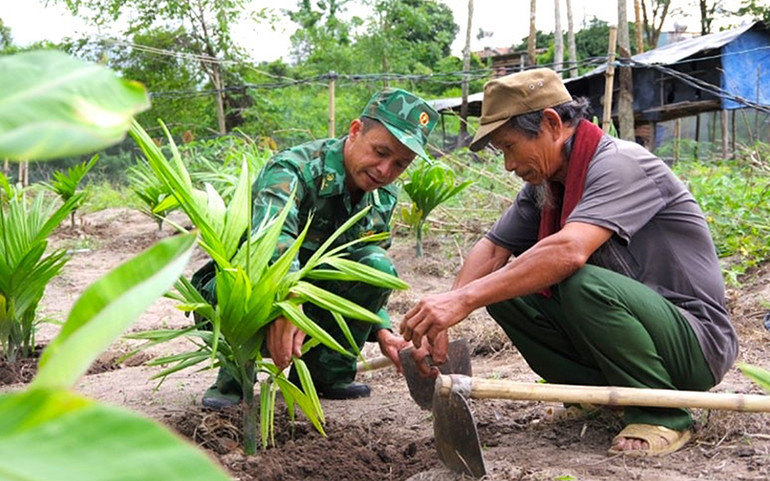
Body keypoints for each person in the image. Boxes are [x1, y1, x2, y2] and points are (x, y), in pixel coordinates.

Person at [400, 68, 738, 457]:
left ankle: (662, 414)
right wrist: (445, 315)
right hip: (630, 335)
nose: (508, 165)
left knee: (580, 282)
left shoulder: (620, 164)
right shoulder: (544, 185)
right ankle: (598, 395)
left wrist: (463, 300)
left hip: (695, 344)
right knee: (500, 289)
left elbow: (569, 252)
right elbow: (492, 250)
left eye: (509, 147)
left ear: (551, 124)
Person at [193, 88, 439, 409]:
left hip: (313, 300)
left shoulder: (382, 198)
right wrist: (289, 304)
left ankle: (327, 374)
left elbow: (365, 271)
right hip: (252, 289)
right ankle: (234, 375)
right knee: (242, 278)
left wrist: (383, 331)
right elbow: (270, 245)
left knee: (378, 266)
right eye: (380, 152)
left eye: (400, 165)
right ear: (355, 131)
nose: (384, 171)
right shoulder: (292, 170)